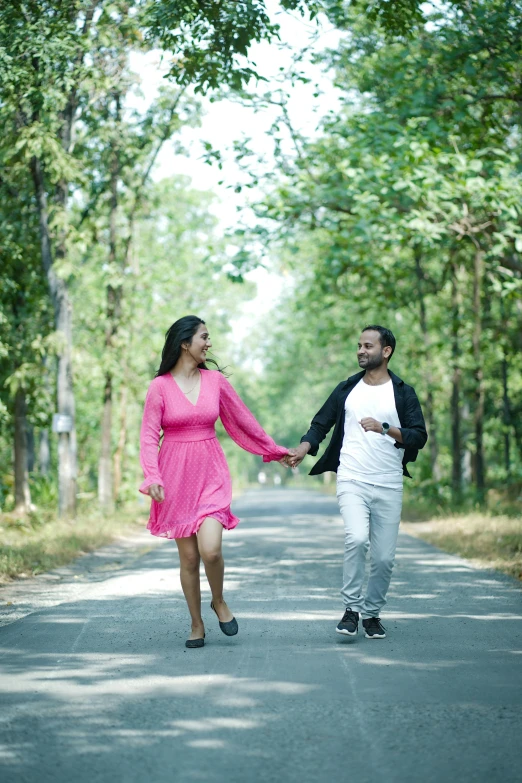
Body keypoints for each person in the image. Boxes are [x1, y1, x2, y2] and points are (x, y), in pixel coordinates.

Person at [139, 315, 292, 649]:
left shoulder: (215, 382)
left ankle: (218, 600)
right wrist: (152, 476)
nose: (209, 343)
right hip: (174, 476)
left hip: (210, 473)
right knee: (189, 559)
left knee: (211, 550)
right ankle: (196, 624)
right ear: (184, 343)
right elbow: (149, 436)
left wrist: (274, 450)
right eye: (204, 337)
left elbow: (243, 420)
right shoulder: (159, 387)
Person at [288, 325, 427, 639]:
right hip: (352, 479)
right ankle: (351, 609)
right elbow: (320, 424)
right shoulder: (347, 389)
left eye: (368, 346)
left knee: (384, 559)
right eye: (359, 346)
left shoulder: (403, 392)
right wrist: (304, 447)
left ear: (386, 351)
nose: (361, 351)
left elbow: (419, 437)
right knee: (356, 538)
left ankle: (372, 614)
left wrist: (385, 428)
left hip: (389, 483)